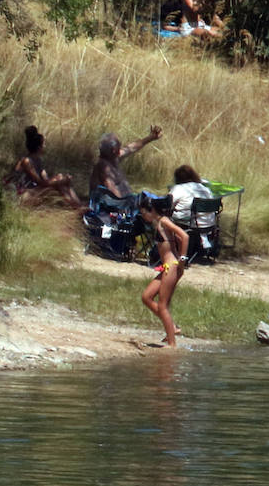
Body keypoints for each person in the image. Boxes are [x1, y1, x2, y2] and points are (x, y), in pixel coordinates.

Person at [139, 194, 190, 348]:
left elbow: (185, 236)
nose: (143, 216)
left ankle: (172, 343)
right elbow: (178, 239)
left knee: (162, 305)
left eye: (143, 213)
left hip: (172, 266)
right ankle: (172, 327)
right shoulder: (158, 223)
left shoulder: (164, 221)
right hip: (169, 266)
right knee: (146, 297)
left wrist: (182, 259)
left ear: (152, 210)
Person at [7, 126, 81, 208]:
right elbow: (40, 182)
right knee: (60, 182)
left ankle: (78, 206)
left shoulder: (38, 160)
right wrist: (60, 181)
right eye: (44, 144)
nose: (45, 146)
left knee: (60, 178)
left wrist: (62, 180)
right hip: (23, 194)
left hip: (34, 191)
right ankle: (77, 207)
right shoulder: (26, 161)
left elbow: (46, 179)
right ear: (39, 147)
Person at [89, 125, 163, 199]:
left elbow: (132, 147)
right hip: (119, 205)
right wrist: (129, 203)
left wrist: (151, 137)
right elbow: (111, 191)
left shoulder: (113, 157)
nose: (121, 147)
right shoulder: (104, 167)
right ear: (114, 150)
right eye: (119, 145)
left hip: (127, 201)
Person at [169, 164, 216, 229]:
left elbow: (168, 204)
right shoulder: (206, 189)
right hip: (209, 225)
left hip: (189, 225)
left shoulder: (179, 188)